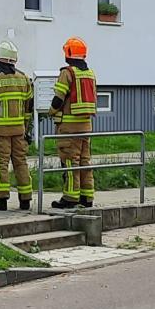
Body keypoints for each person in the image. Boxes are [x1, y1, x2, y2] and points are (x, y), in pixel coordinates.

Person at [0, 41, 34, 211]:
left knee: (1, 163)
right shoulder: (24, 78)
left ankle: (1, 199)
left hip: (0, 130)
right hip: (19, 129)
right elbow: (29, 106)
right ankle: (25, 199)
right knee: (21, 162)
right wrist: (27, 127)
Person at [50, 37, 97, 209]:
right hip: (86, 126)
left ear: (68, 53)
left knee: (70, 161)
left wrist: (51, 112)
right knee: (85, 161)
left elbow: (58, 99)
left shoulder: (67, 73)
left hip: (69, 128)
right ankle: (87, 197)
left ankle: (70, 197)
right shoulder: (90, 73)